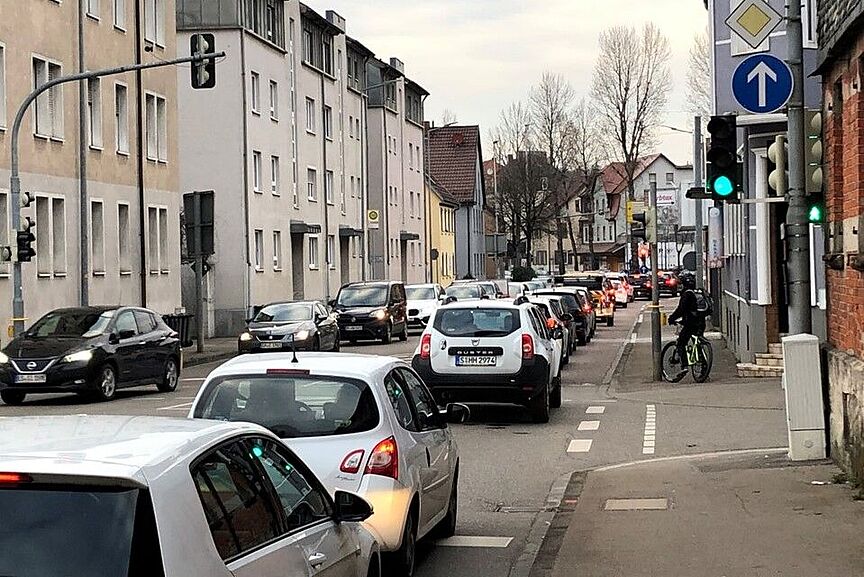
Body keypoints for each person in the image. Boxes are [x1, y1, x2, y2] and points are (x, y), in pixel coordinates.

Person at [667, 275, 712, 367]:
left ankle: (684, 366)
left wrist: (672, 318)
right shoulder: (698, 292)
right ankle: (704, 366)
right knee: (697, 341)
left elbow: (681, 310)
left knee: (681, 343)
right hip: (701, 322)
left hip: (690, 323)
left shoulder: (687, 294)